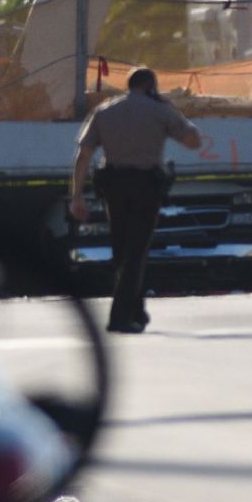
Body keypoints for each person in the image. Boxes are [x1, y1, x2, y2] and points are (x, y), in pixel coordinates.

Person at [69, 67, 202, 334]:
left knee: (121, 250)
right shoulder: (160, 110)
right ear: (151, 85)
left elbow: (83, 154)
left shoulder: (105, 110)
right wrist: (171, 110)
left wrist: (77, 195)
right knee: (136, 252)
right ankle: (119, 316)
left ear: (129, 85)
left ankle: (136, 311)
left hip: (114, 186)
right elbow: (193, 141)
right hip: (145, 187)